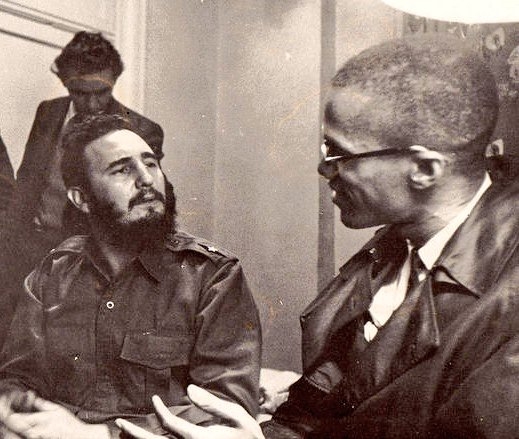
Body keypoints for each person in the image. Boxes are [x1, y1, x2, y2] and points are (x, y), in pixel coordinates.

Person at [118, 34, 519, 439]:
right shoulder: (393, 251)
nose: (324, 168)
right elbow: (314, 419)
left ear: (424, 169)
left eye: (339, 153)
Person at [0, 113, 261, 438]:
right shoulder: (52, 273)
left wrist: (102, 434)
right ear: (81, 199)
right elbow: (18, 378)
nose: (147, 179)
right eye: (122, 169)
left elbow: (227, 412)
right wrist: (14, 409)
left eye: (151, 164)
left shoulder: (212, 277)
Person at [6, 31, 164, 288]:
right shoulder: (48, 112)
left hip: (88, 259)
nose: (92, 104)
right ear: (64, 82)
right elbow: (27, 181)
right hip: (29, 248)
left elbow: (140, 211)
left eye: (102, 92)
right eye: (79, 93)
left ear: (114, 80)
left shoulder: (141, 131)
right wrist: (9, 243)